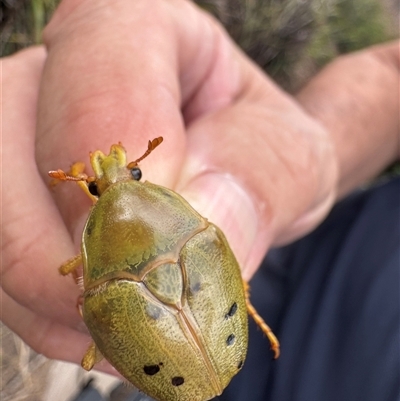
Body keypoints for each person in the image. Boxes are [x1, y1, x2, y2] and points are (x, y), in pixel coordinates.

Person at [1, 1, 399, 400]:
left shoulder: (101, 282)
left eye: (130, 175)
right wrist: (310, 152)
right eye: (119, 179)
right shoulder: (187, 239)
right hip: (279, 306)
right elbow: (391, 71)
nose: (121, 175)